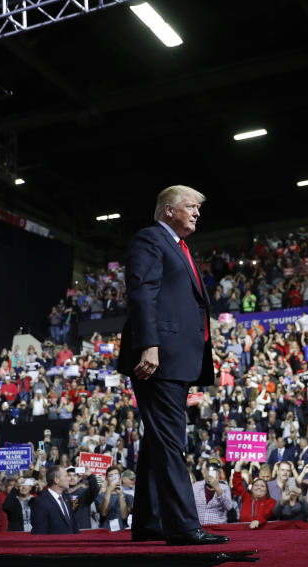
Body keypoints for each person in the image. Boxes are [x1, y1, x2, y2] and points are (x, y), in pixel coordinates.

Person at [117, 185, 228, 546]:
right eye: (191, 207)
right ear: (168, 210)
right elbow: (142, 292)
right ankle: (182, 526)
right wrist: (149, 347)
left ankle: (148, 522)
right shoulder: (150, 239)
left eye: (198, 208)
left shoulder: (179, 247)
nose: (197, 213)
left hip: (175, 359)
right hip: (158, 358)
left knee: (158, 440)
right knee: (170, 441)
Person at [30, 465, 79, 535]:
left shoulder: (67, 498)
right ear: (56, 480)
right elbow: (39, 533)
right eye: (66, 476)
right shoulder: (41, 502)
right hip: (54, 545)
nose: (69, 479)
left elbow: (73, 526)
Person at [232, 460, 277, 529]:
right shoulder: (246, 497)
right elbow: (237, 485)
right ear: (252, 488)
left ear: (266, 490)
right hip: (243, 530)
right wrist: (238, 466)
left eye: (262, 486)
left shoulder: (271, 502)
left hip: (263, 531)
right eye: (256, 485)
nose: (259, 487)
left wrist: (258, 520)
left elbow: (266, 514)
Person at [192, 459, 234, 525]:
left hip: (218, 529)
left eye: (215, 470)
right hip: (200, 529)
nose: (211, 473)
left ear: (219, 473)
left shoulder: (225, 488)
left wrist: (217, 488)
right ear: (205, 472)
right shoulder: (196, 486)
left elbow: (229, 507)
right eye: (209, 470)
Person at [96, 465, 132, 530]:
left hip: (122, 531)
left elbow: (124, 516)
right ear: (106, 479)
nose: (114, 478)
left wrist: (121, 495)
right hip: (105, 531)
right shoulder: (100, 496)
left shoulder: (129, 497)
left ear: (120, 478)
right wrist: (109, 491)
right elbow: (103, 513)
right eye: (110, 476)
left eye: (116, 475)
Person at [66, 465, 101, 530]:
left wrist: (91, 476)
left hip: (82, 531)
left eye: (75, 475)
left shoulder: (84, 493)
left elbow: (95, 490)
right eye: (69, 475)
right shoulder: (61, 494)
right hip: (67, 531)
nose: (72, 478)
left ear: (79, 478)